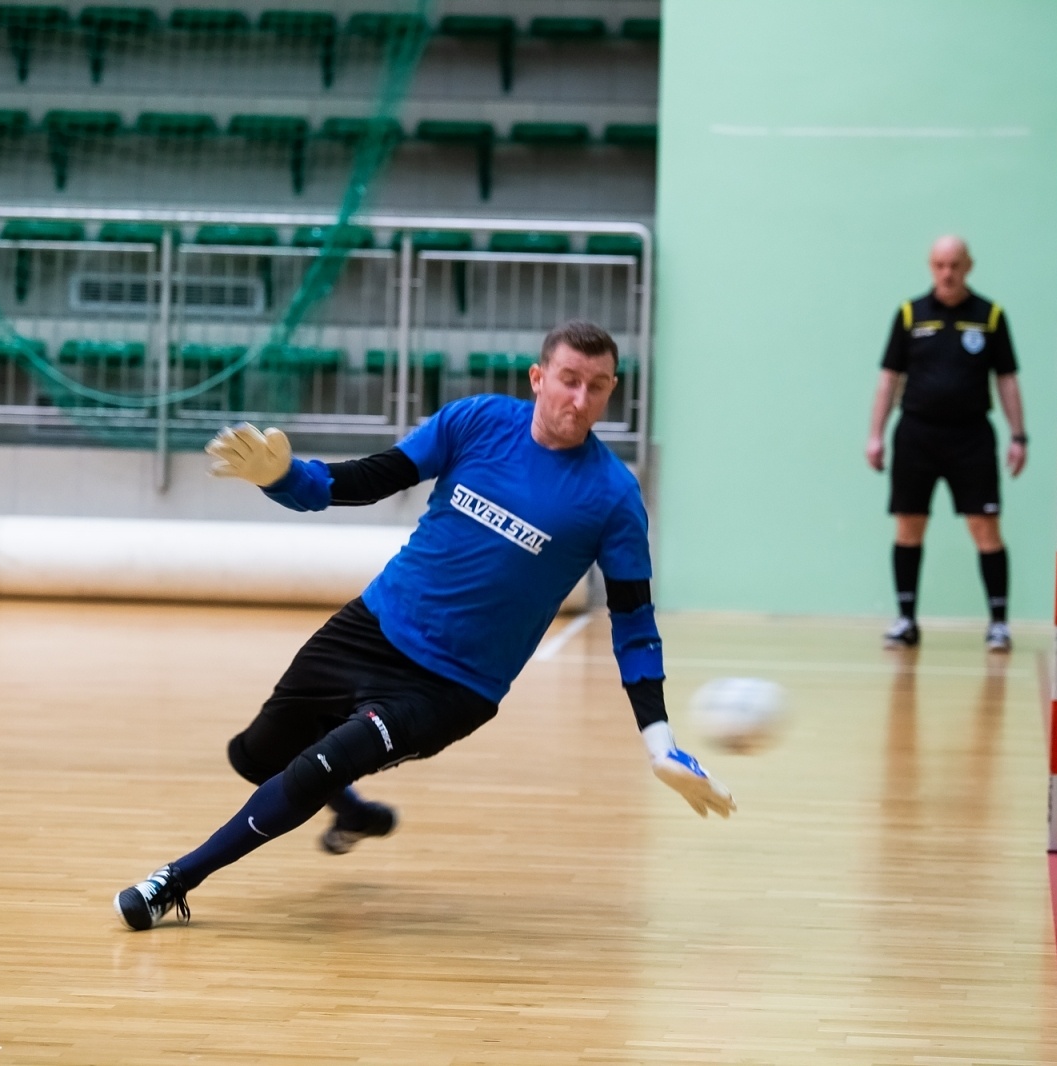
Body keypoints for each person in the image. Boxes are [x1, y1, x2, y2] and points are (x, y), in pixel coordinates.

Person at [115, 320, 736, 931]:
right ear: (538, 377)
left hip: (450, 687)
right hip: (373, 625)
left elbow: (634, 625)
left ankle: (173, 882)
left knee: (316, 767)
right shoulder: (476, 421)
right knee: (256, 755)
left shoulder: (614, 497)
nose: (580, 398)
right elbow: (372, 478)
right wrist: (285, 478)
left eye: (596, 386)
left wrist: (659, 741)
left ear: (611, 390)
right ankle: (354, 814)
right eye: (569, 379)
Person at [864, 236, 1027, 652]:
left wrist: (1018, 435)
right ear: (930, 266)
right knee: (909, 524)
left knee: (984, 526)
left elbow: (1007, 379)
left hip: (971, 437)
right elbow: (889, 379)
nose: (947, 273)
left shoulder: (990, 316)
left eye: (954, 265)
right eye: (939, 265)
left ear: (968, 266)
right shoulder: (909, 314)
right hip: (916, 434)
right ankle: (906, 620)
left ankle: (998, 624)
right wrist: (875, 435)